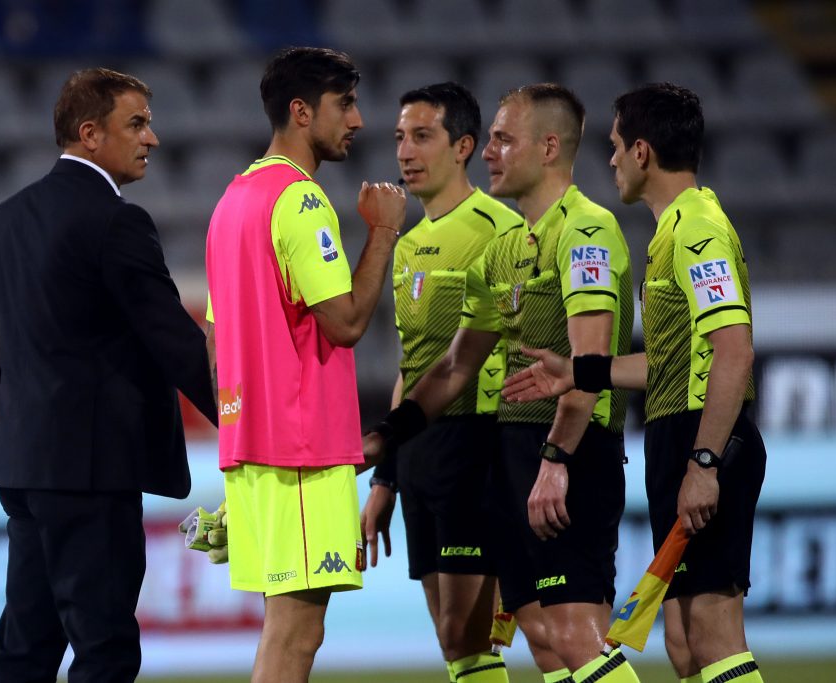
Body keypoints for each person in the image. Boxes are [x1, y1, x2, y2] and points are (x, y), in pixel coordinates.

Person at [365, 83, 641, 683]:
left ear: (547, 148)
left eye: (501, 139)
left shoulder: (586, 232)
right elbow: (455, 366)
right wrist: (387, 438)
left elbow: (588, 366)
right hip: (517, 456)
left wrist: (555, 459)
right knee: (542, 639)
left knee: (574, 634)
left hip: (570, 453)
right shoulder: (507, 247)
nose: (486, 151)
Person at [503, 83, 766, 683]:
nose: (613, 159)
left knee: (713, 632)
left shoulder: (698, 230)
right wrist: (578, 371)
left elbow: (735, 350)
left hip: (703, 438)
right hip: (680, 434)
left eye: (618, 146)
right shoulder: (674, 229)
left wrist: (704, 461)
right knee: (683, 642)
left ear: (643, 152)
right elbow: (667, 363)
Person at [0, 68, 218, 682]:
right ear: (90, 134)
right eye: (136, 123)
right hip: (92, 468)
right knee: (103, 644)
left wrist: (36, 419)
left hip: (25, 464)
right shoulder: (116, 221)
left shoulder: (7, 217)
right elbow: (176, 344)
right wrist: (243, 425)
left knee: (26, 644)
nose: (152, 139)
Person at [204, 46, 406, 683]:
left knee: (283, 626)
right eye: (343, 104)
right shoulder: (300, 201)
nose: (359, 120)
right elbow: (344, 324)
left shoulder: (232, 201)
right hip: (298, 447)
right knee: (297, 632)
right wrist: (383, 234)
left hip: (259, 444)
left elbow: (219, 337)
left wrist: (244, 428)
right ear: (300, 111)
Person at [360, 81, 525, 683]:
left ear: (463, 147)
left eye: (422, 136)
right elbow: (413, 366)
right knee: (454, 642)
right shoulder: (406, 246)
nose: (405, 151)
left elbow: (511, 345)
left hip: (480, 444)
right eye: (400, 137)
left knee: (470, 629)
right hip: (422, 451)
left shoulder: (499, 229)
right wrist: (386, 476)